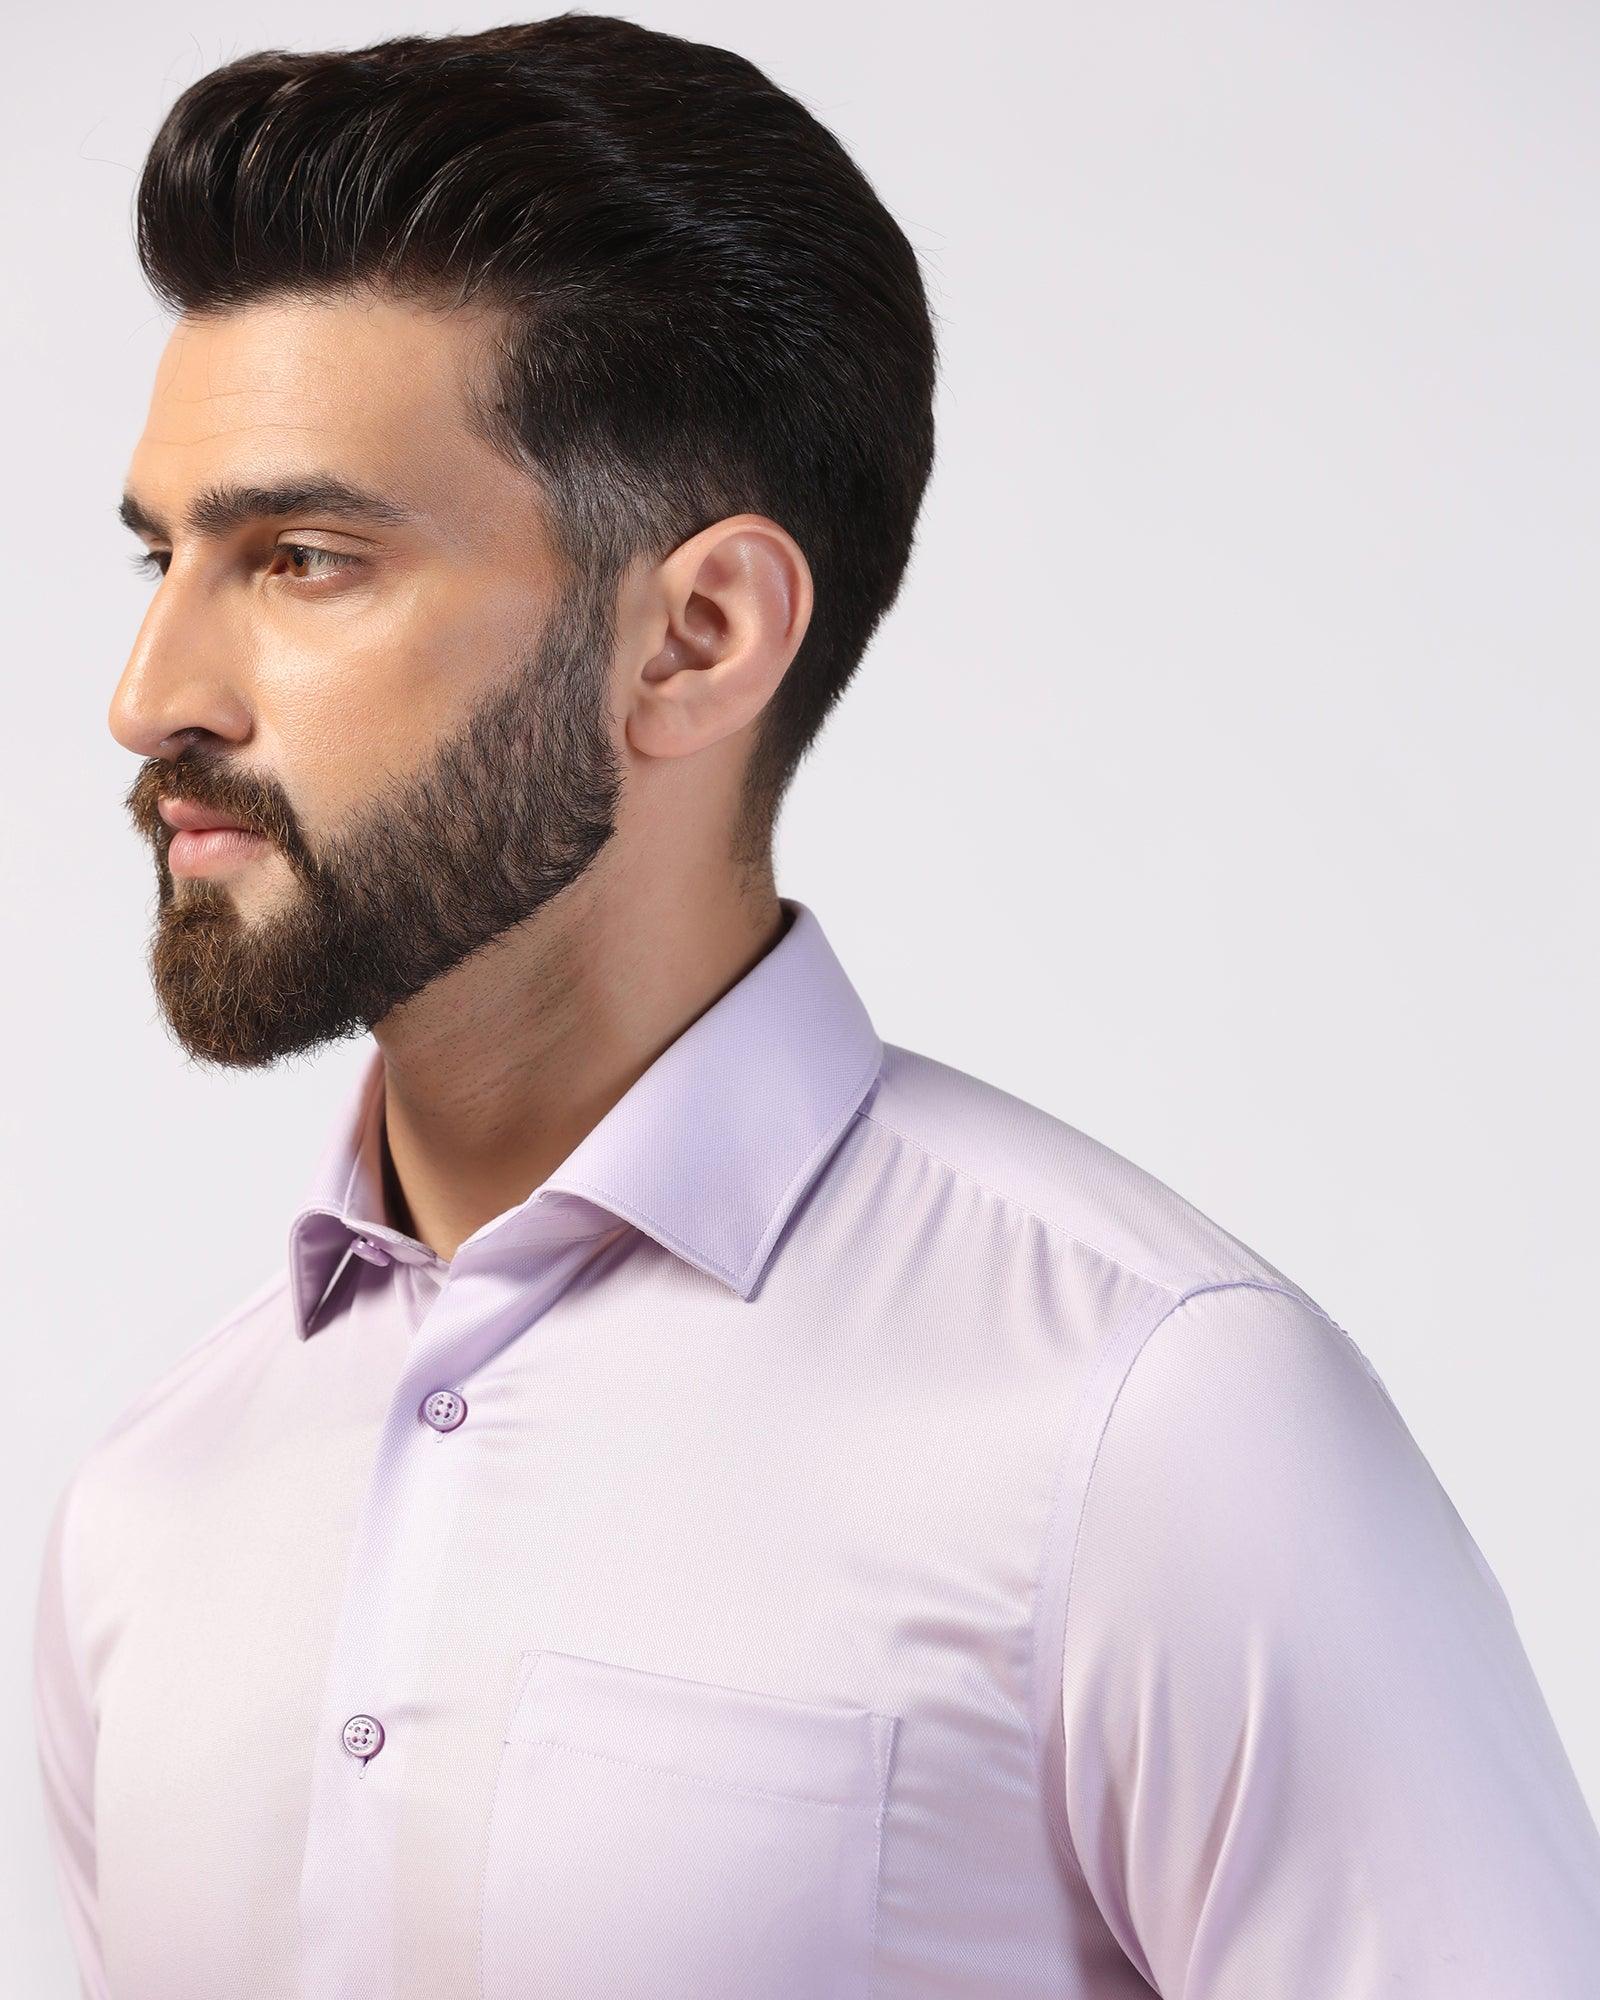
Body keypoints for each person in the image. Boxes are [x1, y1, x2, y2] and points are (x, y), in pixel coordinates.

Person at [32, 14, 1600, 1998]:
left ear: (696, 636)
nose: (151, 696)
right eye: (164, 559)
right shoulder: (153, 1502)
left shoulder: (1146, 1425)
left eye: (304, 558)